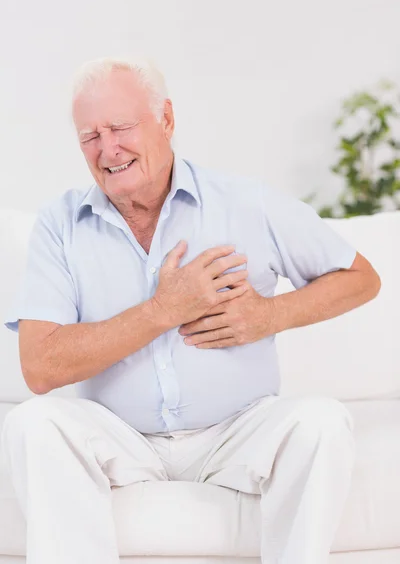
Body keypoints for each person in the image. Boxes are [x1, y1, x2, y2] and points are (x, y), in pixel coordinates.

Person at [1, 57, 381, 564]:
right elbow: (40, 367)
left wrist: (270, 315)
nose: (107, 149)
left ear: (166, 120)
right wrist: (163, 309)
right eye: (89, 135)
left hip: (237, 430)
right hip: (120, 437)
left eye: (120, 127)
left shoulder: (248, 203)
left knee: (321, 422)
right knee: (34, 423)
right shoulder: (60, 224)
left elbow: (361, 277)